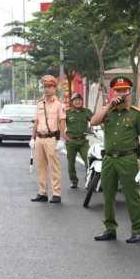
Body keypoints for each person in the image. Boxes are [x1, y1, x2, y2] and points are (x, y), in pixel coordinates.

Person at [89, 76, 140, 243]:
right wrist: (109, 104)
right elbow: (94, 121)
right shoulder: (107, 110)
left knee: (132, 195)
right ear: (113, 92)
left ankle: (136, 229)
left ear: (129, 92)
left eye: (124, 90)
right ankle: (110, 228)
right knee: (108, 195)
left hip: (128, 158)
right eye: (118, 90)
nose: (121, 93)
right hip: (108, 159)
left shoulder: (136, 113)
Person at [29, 75, 69, 203]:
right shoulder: (40, 104)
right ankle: (43, 193)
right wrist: (32, 138)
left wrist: (62, 139)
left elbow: (62, 121)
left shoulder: (59, 104)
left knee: (54, 167)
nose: (46, 89)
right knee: (40, 166)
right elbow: (36, 121)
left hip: (52, 139)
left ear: (54, 88)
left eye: (49, 87)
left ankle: (56, 193)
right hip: (40, 138)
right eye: (44, 87)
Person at [64, 92, 92, 189]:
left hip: (83, 141)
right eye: (75, 100)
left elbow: (95, 120)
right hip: (71, 141)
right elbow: (59, 123)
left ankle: (89, 179)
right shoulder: (67, 112)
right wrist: (64, 136)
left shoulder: (87, 111)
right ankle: (73, 180)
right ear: (72, 102)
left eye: (79, 100)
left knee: (88, 160)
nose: (77, 102)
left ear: (82, 101)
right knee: (71, 162)